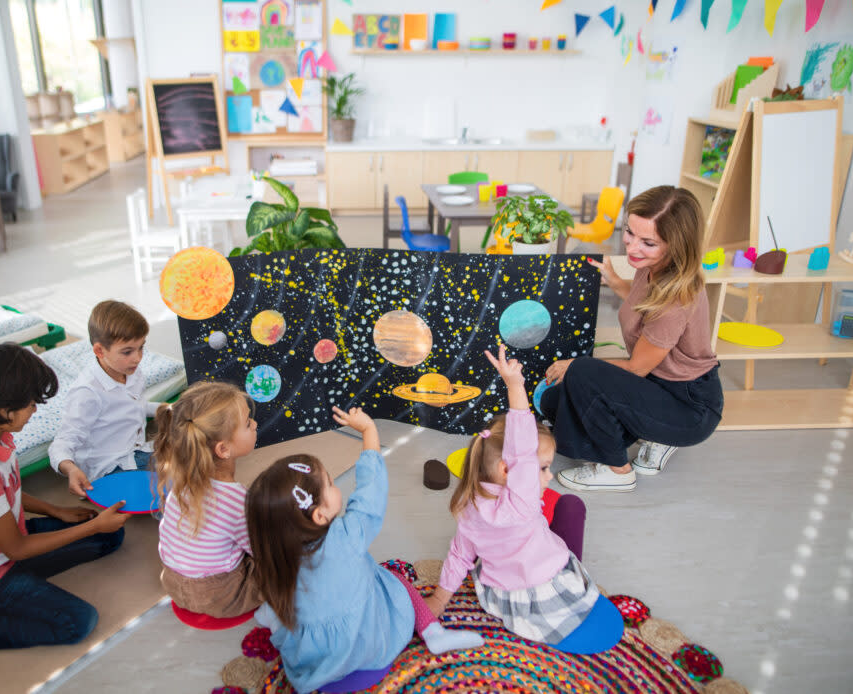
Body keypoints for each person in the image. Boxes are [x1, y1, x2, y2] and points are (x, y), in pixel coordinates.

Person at [247, 407, 484, 694]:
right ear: (319, 516)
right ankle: (433, 631)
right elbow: (370, 492)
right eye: (331, 484)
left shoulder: (274, 559)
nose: (336, 487)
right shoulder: (348, 537)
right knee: (394, 581)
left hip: (314, 665)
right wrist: (369, 431)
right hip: (369, 649)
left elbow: (273, 615)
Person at [0, 342, 129, 650]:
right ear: (5, 410)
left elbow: (9, 492)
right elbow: (17, 548)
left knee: (110, 536)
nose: (35, 409)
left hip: (7, 544)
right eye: (31, 403)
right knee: (78, 621)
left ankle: (28, 584)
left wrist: (56, 511)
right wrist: (91, 528)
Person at [540, 186, 723, 493]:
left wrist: (574, 365)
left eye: (648, 242)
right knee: (552, 402)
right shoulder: (652, 267)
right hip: (657, 384)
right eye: (629, 233)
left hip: (688, 404)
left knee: (583, 372)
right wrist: (615, 281)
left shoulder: (676, 298)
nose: (632, 247)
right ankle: (650, 433)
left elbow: (637, 368)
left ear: (676, 245)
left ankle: (618, 470)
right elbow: (643, 306)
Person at [424, 346, 599, 646]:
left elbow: (459, 555)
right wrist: (514, 386)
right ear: (510, 471)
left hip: (503, 596)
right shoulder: (521, 501)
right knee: (570, 505)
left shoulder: (468, 504)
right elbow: (521, 447)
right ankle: (569, 570)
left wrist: (440, 599)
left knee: (549, 502)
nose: (550, 475)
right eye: (542, 468)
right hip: (548, 593)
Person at [153, 381, 262, 617]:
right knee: (287, 558)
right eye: (247, 423)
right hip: (220, 596)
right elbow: (261, 550)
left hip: (172, 583)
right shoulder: (237, 501)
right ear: (223, 450)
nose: (254, 424)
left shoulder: (180, 484)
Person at [49, 300, 157, 497]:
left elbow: (133, 406)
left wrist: (164, 408)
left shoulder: (131, 371)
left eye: (141, 347)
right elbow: (62, 442)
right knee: (165, 491)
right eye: (127, 352)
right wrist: (71, 469)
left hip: (136, 452)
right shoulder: (87, 392)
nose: (138, 358)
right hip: (108, 468)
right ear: (100, 351)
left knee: (193, 455)